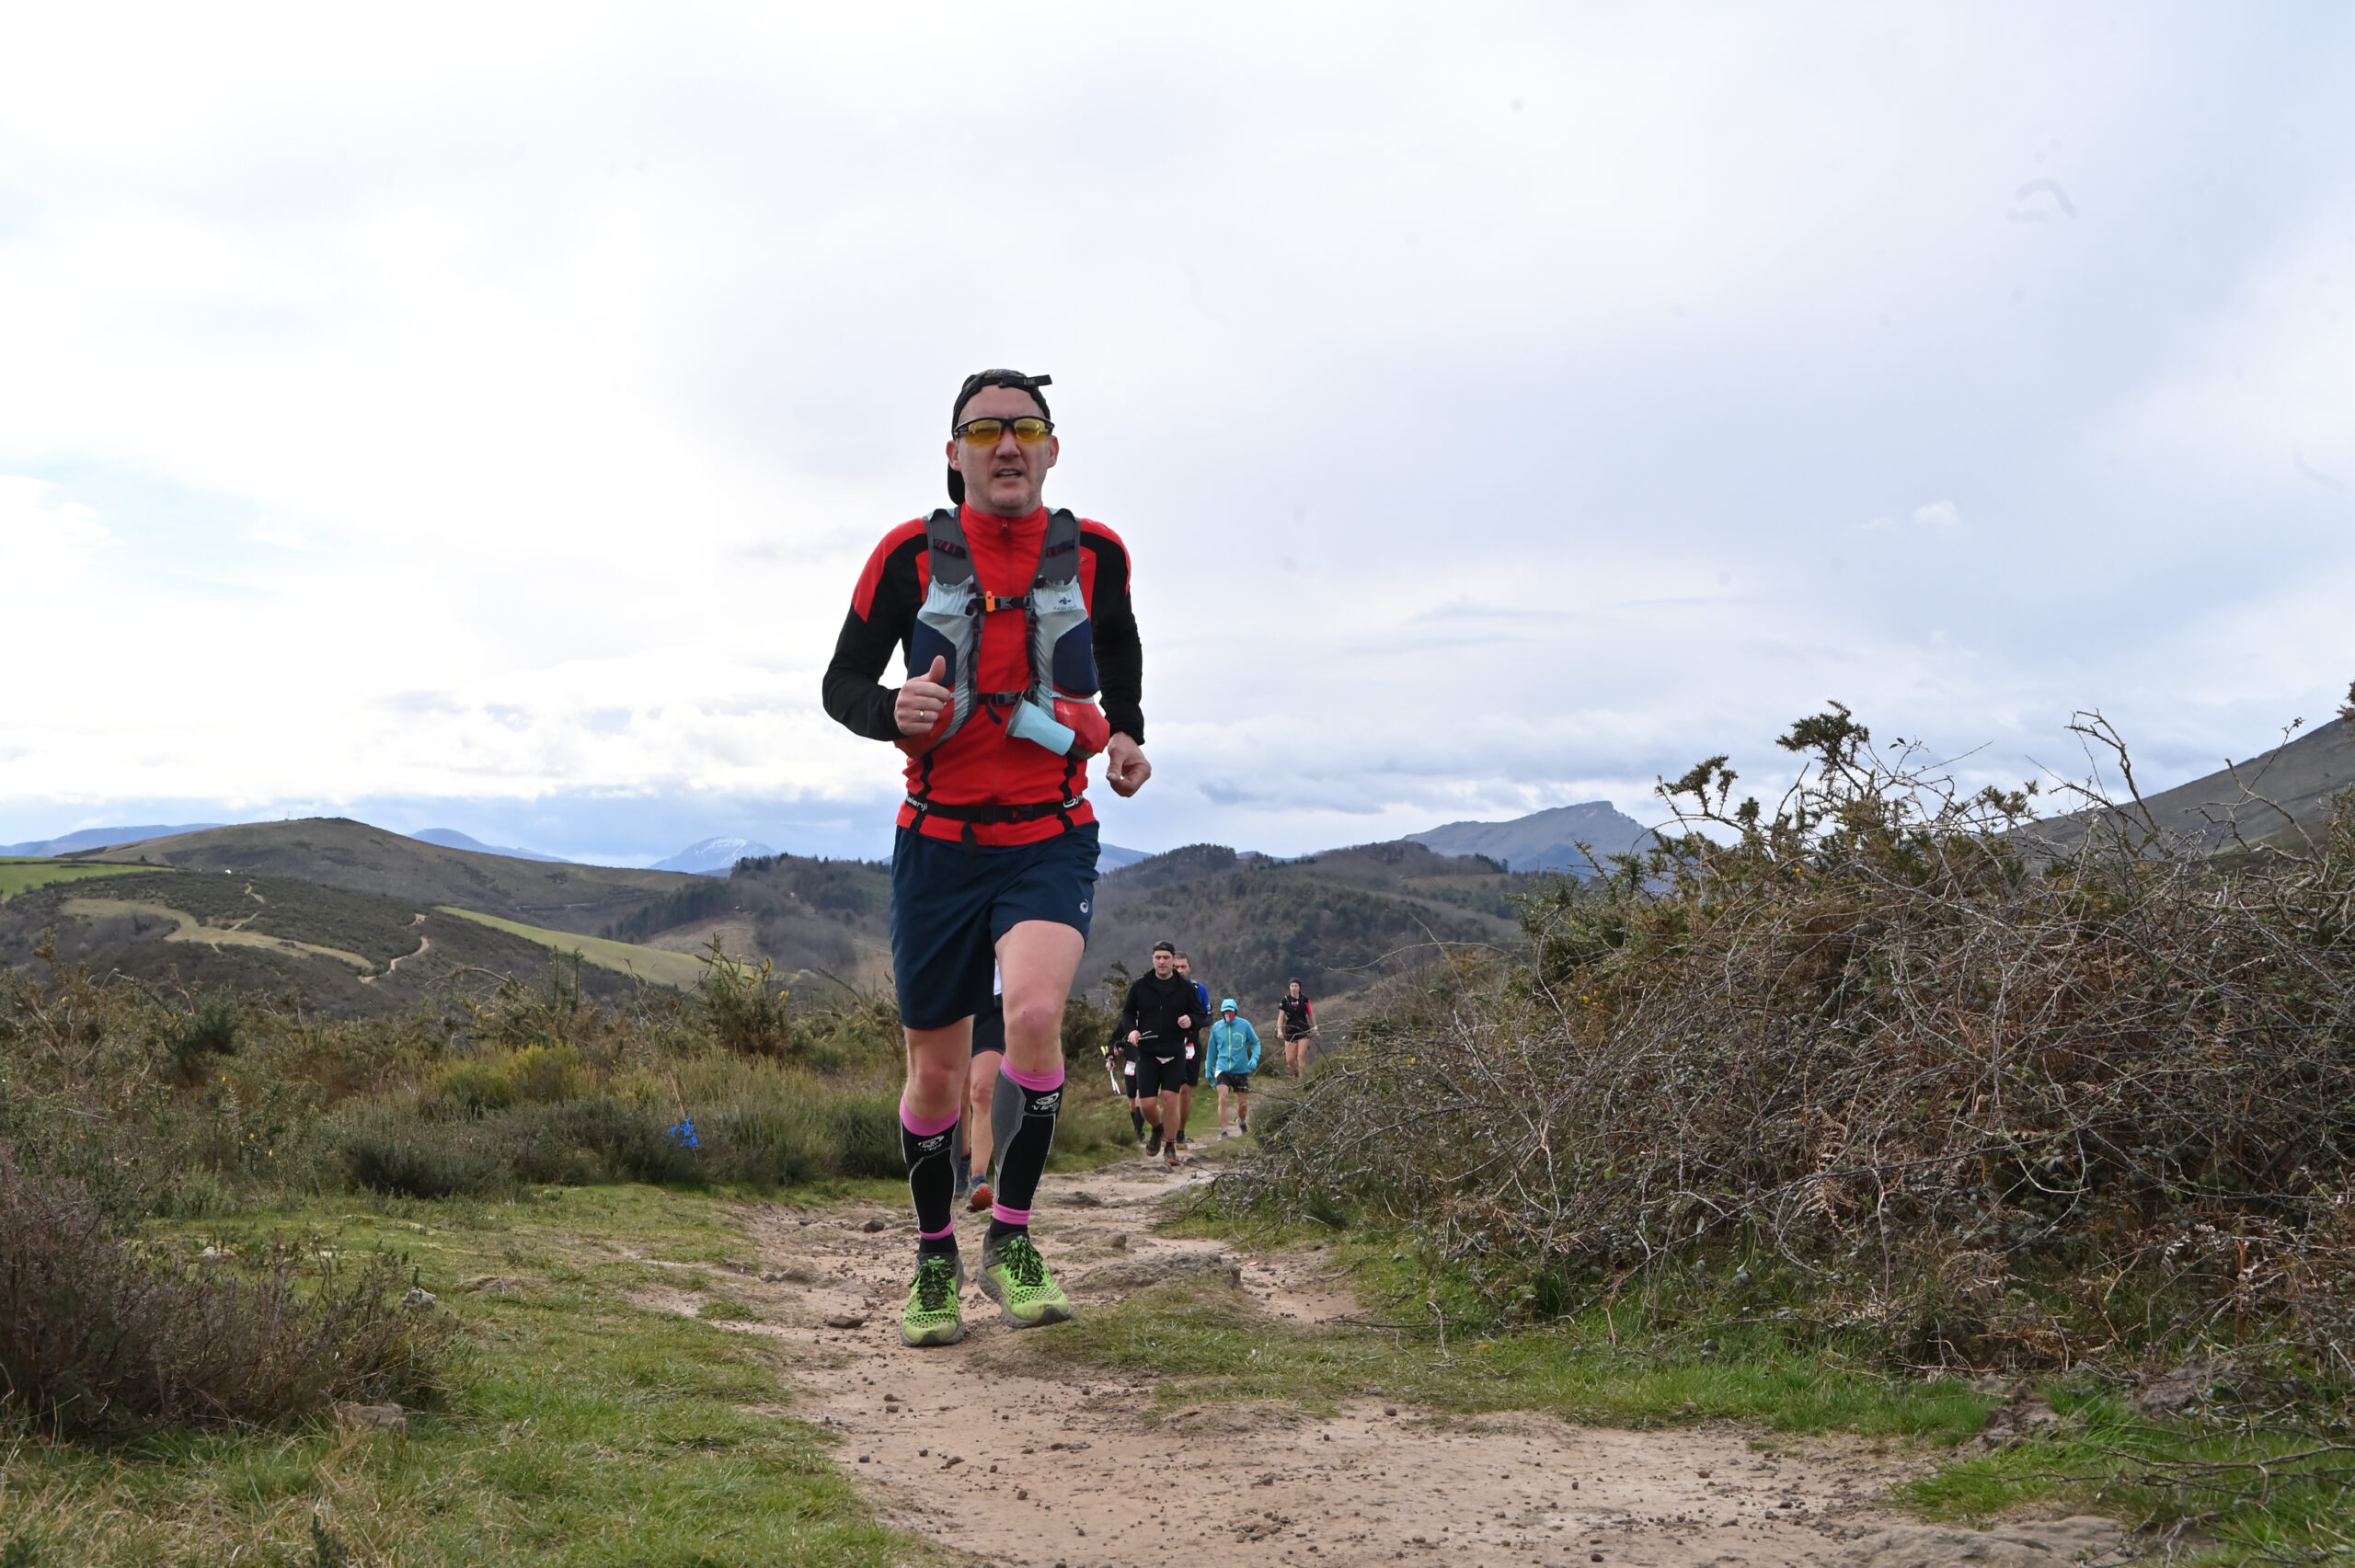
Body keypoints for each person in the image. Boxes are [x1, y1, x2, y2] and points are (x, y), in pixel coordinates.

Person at [822, 368, 1152, 1348]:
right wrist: (891, 709)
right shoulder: (905, 556)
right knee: (934, 1077)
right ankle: (936, 1257)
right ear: (954, 452)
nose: (1007, 445)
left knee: (1037, 1016)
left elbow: (1119, 650)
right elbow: (842, 682)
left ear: (1052, 448)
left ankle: (1010, 1237)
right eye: (985, 431)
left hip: (1049, 833)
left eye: (1026, 428)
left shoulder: (1096, 554)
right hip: (938, 843)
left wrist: (1125, 733)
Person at [1117, 940, 1196, 1169]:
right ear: (1152, 959)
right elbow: (1127, 1013)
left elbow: (1199, 1015)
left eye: (1166, 958)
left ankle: (1170, 1146)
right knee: (1147, 1104)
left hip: (1174, 1051)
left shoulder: (1185, 988)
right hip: (1147, 1052)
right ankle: (1157, 1129)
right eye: (1158, 957)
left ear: (1172, 960)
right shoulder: (1140, 986)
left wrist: (1191, 1020)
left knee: (1170, 1099)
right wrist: (1132, 1030)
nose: (1162, 962)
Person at [961, 967, 1005, 1214]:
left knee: (982, 1091)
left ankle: (978, 1179)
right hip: (952, 1000)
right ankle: (962, 1161)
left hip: (996, 1001)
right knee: (957, 1094)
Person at [1172, 951, 1211, 1156]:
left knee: (1185, 1090)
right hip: (1166, 1044)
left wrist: (1192, 1021)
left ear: (1189, 969)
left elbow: (1207, 1017)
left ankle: (1180, 1132)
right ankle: (1166, 1131)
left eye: (1183, 967)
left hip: (1190, 1044)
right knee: (1168, 1091)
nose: (1179, 970)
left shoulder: (1198, 989)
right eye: (1176, 967)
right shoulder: (1159, 989)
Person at [1206, 998, 1260, 1137]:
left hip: (1241, 1069)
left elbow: (1255, 1043)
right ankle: (1224, 1130)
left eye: (1230, 1011)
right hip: (1222, 1068)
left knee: (1242, 1103)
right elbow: (1211, 1051)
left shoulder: (1244, 1025)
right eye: (1225, 1012)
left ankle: (1241, 1121)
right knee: (1223, 1098)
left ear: (1235, 1011)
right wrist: (1208, 1069)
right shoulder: (1217, 1028)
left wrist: (1254, 1059)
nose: (1228, 1014)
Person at [1277, 979, 1318, 1077]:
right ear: (1289, 987)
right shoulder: (1284, 1001)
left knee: (1301, 1057)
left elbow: (1310, 1014)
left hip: (1303, 1030)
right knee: (1290, 1060)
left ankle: (1303, 1080)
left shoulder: (1305, 1000)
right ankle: (1297, 1072)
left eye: (1296, 986)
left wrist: (1315, 1028)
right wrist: (1279, 1030)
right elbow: (1281, 1017)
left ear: (1299, 988)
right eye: (1292, 986)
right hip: (1290, 1031)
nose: (1294, 988)